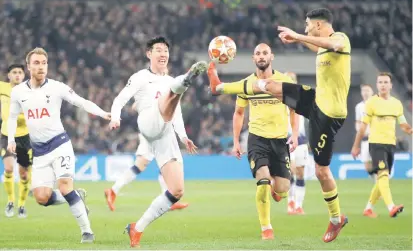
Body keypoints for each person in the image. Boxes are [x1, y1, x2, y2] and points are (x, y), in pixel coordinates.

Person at [207, 8, 350, 242]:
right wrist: (297, 39)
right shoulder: (322, 47)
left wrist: (298, 36)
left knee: (321, 172)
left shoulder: (341, 39)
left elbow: (332, 44)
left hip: (329, 114)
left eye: (307, 25)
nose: (305, 28)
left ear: (318, 25)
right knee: (269, 85)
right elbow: (320, 46)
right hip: (314, 104)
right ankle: (218, 87)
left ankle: (336, 219)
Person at [109, 36, 206, 248]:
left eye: (165, 51)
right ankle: (187, 78)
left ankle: (137, 228)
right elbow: (119, 99)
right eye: (158, 50)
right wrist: (115, 116)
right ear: (149, 54)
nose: (163, 54)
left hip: (166, 133)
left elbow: (176, 112)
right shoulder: (140, 77)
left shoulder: (168, 80)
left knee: (177, 191)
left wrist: (182, 136)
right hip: (147, 121)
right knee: (171, 92)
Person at [7, 47, 111, 243]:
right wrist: (11, 139)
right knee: (42, 197)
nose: (41, 67)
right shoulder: (18, 92)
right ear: (28, 67)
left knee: (64, 186)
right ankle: (76, 196)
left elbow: (81, 102)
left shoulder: (57, 87)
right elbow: (12, 117)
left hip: (59, 144)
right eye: (36, 63)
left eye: (44, 63)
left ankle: (86, 231)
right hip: (38, 151)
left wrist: (103, 113)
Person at [230, 43, 299, 240]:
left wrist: (294, 135)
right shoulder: (247, 84)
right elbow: (239, 112)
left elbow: (294, 110)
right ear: (253, 59)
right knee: (262, 181)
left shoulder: (284, 82)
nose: (261, 56)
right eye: (258, 53)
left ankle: (277, 192)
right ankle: (266, 227)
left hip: (279, 141)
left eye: (265, 53)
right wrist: (236, 141)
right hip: (257, 139)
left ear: (272, 56)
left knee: (282, 189)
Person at [351, 72, 412, 218]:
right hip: (376, 143)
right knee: (383, 174)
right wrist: (356, 145)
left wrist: (410, 130)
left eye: (385, 82)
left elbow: (403, 124)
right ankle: (391, 207)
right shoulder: (371, 103)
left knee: (383, 178)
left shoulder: (396, 104)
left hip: (390, 144)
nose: (383, 85)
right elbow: (363, 126)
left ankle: (368, 208)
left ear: (391, 85)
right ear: (377, 85)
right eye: (380, 82)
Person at [1, 64, 32, 218]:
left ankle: (21, 205)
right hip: (6, 135)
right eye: (14, 72)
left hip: (25, 136)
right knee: (8, 169)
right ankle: (11, 201)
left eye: (20, 72)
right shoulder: (3, 88)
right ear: (9, 75)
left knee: (24, 174)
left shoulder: (30, 91)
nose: (18, 75)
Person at [285, 72, 309, 216]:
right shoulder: (279, 99)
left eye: (292, 79)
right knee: (290, 170)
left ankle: (299, 206)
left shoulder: (302, 98)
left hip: (301, 140)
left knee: (300, 173)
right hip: (285, 139)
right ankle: (290, 201)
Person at [355, 84, 374, 179]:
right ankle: (377, 184)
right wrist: (359, 131)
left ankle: (380, 187)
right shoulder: (359, 106)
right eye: (364, 91)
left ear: (372, 92)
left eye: (367, 90)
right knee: (367, 166)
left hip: (376, 138)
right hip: (365, 139)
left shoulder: (377, 104)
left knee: (378, 163)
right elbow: (357, 121)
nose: (365, 93)